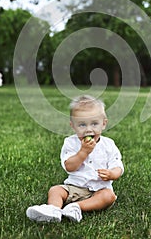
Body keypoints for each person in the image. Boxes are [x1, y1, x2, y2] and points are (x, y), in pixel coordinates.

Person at [26, 95, 124, 223]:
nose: (88, 129)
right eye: (82, 125)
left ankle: (76, 207)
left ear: (103, 124)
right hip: (75, 187)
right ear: (73, 126)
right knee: (55, 190)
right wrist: (83, 152)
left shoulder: (108, 145)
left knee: (109, 196)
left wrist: (112, 174)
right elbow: (69, 166)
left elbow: (118, 166)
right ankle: (53, 210)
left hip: (99, 190)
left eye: (94, 123)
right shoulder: (70, 143)